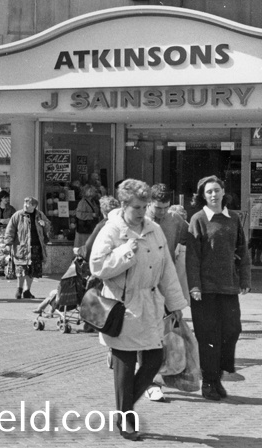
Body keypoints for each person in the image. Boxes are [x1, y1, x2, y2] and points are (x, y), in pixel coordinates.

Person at [90, 179, 187, 441]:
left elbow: (167, 269)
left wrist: (176, 304)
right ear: (123, 205)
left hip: (150, 304)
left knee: (154, 359)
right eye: (137, 207)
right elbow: (97, 267)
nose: (143, 212)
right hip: (122, 307)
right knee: (125, 363)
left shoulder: (154, 229)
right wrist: (124, 253)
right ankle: (126, 418)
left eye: (145, 207)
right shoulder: (111, 230)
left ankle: (122, 409)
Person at [187, 175, 252, 401]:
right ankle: (209, 382)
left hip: (228, 286)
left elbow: (242, 251)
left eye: (217, 190)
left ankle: (218, 375)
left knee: (232, 330)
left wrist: (244, 279)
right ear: (203, 196)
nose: (213, 195)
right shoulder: (198, 219)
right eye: (209, 192)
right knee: (208, 336)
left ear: (223, 192)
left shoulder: (233, 219)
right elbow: (192, 257)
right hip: (204, 290)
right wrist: (194, 285)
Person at [144, 183, 194, 402]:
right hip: (142, 287)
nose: (161, 213)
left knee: (160, 335)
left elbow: (185, 254)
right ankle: (149, 380)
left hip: (164, 287)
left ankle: (153, 379)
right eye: (157, 208)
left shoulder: (176, 222)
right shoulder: (138, 219)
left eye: (165, 207)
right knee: (145, 334)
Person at [3, 197, 51, 299]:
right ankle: (19, 290)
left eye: (28, 204)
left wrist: (44, 224)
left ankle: (27, 291)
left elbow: (49, 226)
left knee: (31, 270)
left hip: (36, 246)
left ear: (34, 206)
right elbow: (10, 229)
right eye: (24, 203)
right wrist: (8, 243)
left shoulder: (40, 215)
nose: (25, 205)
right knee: (21, 270)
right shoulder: (18, 215)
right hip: (22, 247)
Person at [73, 185, 101, 251]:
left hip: (90, 227)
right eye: (93, 191)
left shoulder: (93, 201)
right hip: (84, 228)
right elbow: (79, 214)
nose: (94, 193)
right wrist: (91, 215)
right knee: (83, 245)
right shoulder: (83, 202)